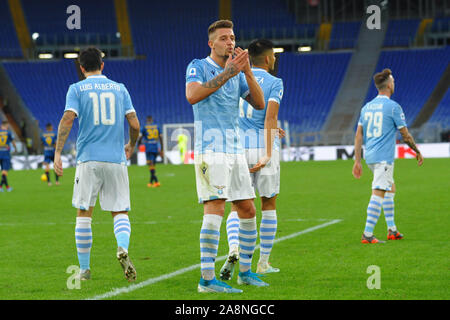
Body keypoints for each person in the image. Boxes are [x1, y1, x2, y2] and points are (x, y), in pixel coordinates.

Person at [185, 20, 266, 293]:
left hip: (235, 149)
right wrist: (228, 73)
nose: (230, 42)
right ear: (211, 43)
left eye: (232, 37)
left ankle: (244, 272)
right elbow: (193, 95)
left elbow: (259, 103)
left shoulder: (239, 72)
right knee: (215, 207)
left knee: (247, 209)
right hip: (211, 148)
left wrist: (247, 72)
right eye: (223, 38)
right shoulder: (198, 65)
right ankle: (206, 279)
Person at [54, 47, 140, 281]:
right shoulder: (120, 89)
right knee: (119, 210)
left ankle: (84, 270)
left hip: (88, 159)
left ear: (82, 68)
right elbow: (134, 124)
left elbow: (68, 119)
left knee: (84, 213)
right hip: (115, 159)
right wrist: (131, 145)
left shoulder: (76, 89)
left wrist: (58, 152)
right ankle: (122, 247)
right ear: (103, 65)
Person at [220, 39, 284, 280]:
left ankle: (234, 247)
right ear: (267, 59)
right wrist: (268, 151)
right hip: (264, 146)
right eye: (274, 56)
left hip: (237, 147)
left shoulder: (235, 78)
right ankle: (263, 263)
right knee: (268, 203)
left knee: (238, 205)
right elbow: (269, 118)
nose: (275, 60)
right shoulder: (275, 82)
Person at [352, 68, 423, 244]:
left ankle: (392, 229)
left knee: (390, 188)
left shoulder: (366, 107)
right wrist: (417, 151)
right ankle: (367, 234)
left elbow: (358, 135)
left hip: (370, 157)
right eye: (393, 82)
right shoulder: (393, 107)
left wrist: (357, 161)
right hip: (383, 158)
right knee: (379, 192)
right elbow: (405, 135)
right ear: (390, 85)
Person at [138, 116, 163, 187]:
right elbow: (161, 137)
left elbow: (140, 137)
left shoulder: (144, 127)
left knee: (150, 164)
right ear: (152, 120)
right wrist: (162, 149)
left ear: (147, 120)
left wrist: (139, 144)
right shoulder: (157, 126)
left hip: (148, 147)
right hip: (155, 147)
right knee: (153, 165)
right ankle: (151, 182)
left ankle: (157, 181)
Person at [0, 120, 16, 192]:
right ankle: (0, 186)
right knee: (4, 171)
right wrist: (15, 149)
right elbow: (13, 142)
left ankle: (7, 187)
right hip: (5, 154)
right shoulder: (9, 133)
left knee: (3, 171)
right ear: (6, 125)